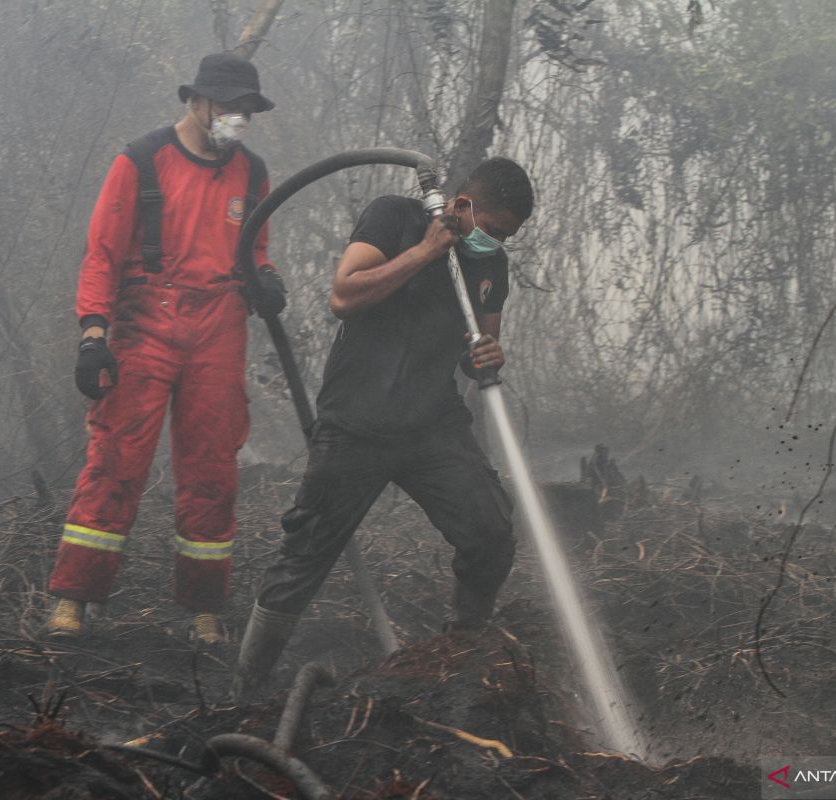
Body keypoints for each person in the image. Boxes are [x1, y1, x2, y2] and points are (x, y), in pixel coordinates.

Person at [234, 157, 535, 694]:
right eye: (492, 229)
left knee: (490, 528)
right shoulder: (394, 217)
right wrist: (424, 253)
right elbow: (344, 296)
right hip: (356, 420)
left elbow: (477, 350)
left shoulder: (491, 266)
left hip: (431, 426)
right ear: (463, 206)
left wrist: (489, 354)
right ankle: (247, 685)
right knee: (305, 555)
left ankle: (463, 652)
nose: (496, 242)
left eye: (507, 236)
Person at [44, 53, 286, 643]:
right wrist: (93, 334)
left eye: (246, 110)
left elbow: (255, 252)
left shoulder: (253, 175)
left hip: (220, 325)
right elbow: (101, 253)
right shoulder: (140, 161)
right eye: (228, 107)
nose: (237, 119)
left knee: (212, 468)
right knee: (116, 459)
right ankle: (75, 600)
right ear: (196, 102)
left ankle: (204, 608)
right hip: (145, 319)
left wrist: (267, 278)